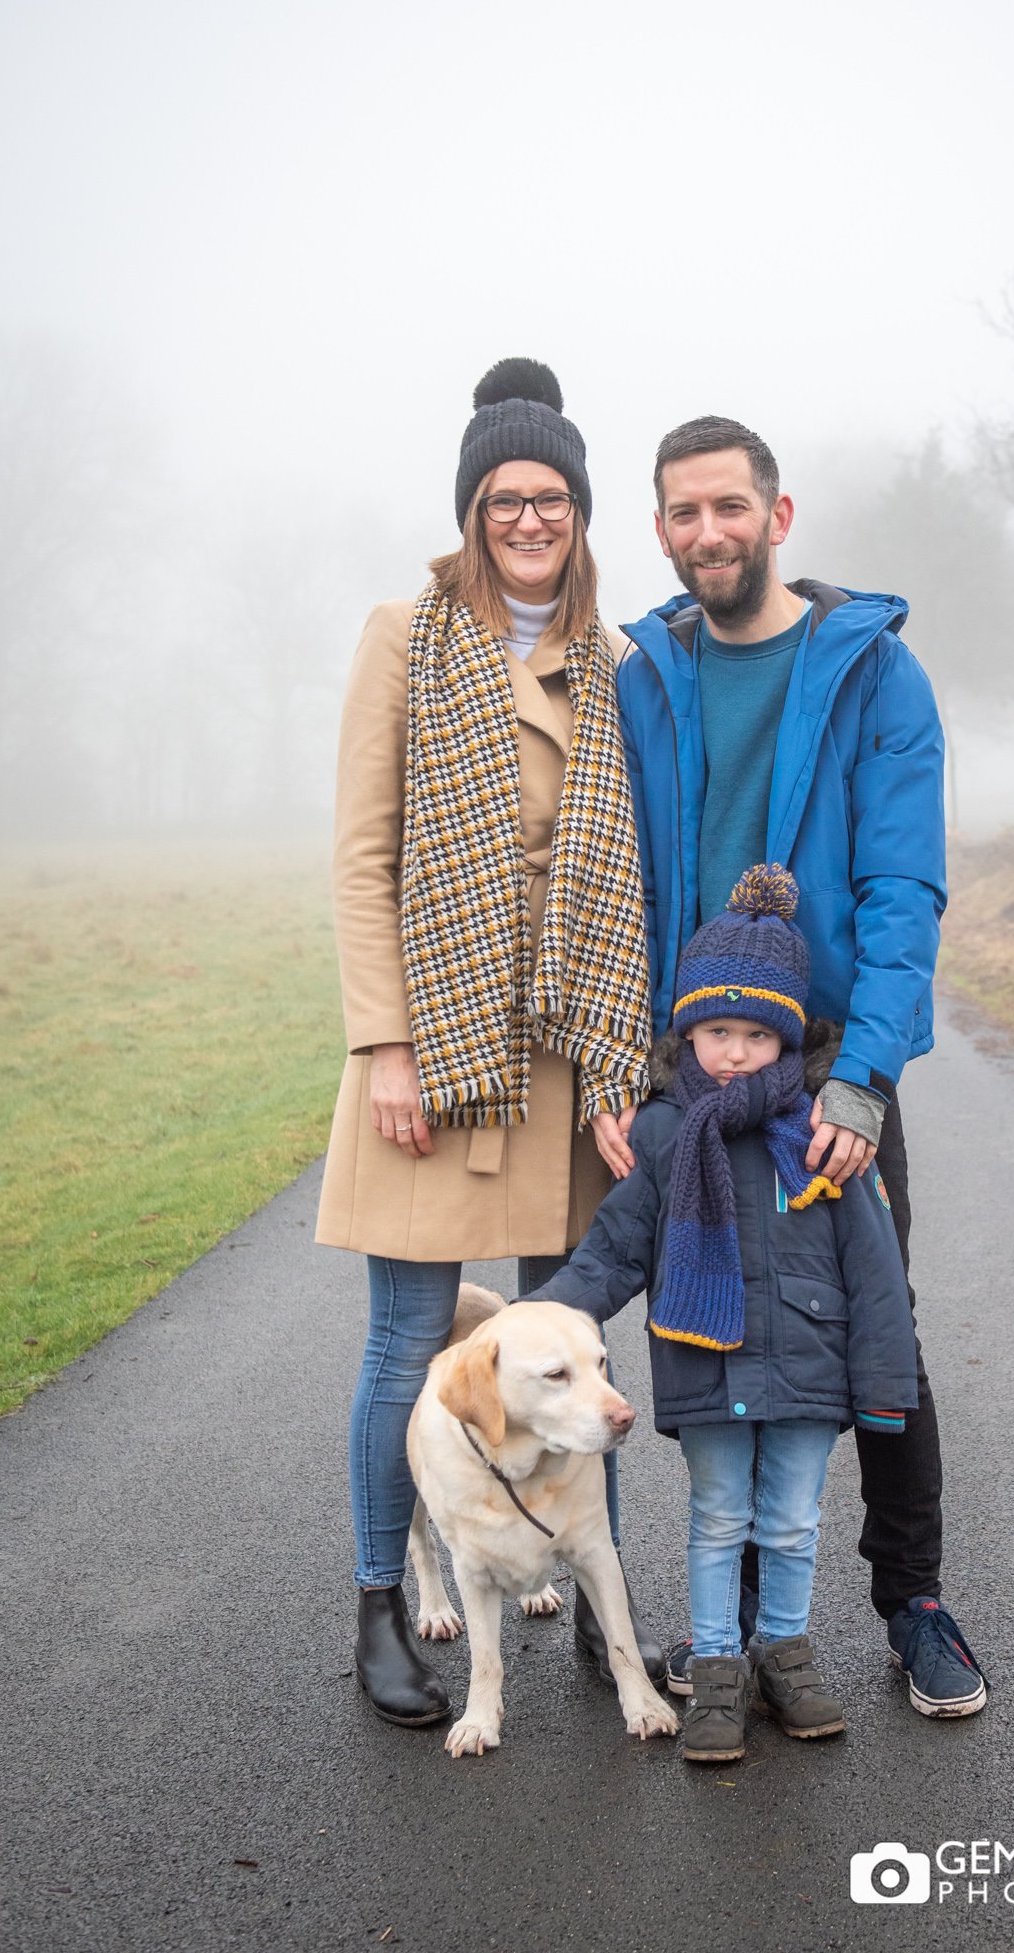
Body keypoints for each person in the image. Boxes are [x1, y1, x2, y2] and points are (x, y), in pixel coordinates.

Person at [602, 414, 987, 1719]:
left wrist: (863, 1076)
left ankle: (913, 1603)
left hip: (826, 1060)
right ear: (657, 528)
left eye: (727, 506)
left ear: (776, 515)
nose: (704, 531)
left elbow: (900, 888)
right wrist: (627, 1063)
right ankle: (752, 1633)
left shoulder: (875, 674)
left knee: (875, 1320)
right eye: (679, 512)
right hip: (687, 1063)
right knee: (723, 1333)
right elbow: (615, 879)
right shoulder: (639, 673)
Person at [315, 358, 666, 1727]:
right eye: (504, 497)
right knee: (408, 1350)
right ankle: (380, 1606)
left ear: (579, 511)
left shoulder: (619, 661)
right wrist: (382, 1046)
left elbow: (639, 858)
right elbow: (359, 860)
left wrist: (629, 1060)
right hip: (433, 1050)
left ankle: (596, 1616)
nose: (529, 518)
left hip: (566, 1052)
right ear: (472, 509)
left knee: (565, 1344)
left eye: (552, 497)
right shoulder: (404, 634)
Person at [529, 866, 920, 1762]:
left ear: (785, 1039)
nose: (734, 1053)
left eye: (754, 1034)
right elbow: (614, 1252)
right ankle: (716, 1673)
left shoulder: (820, 1135)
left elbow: (874, 1272)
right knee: (716, 1519)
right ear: (688, 1033)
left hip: (809, 1370)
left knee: (789, 1520)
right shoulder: (668, 1133)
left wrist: (884, 1386)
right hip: (705, 1361)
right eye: (715, 1032)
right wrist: (533, 1321)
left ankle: (784, 1652)